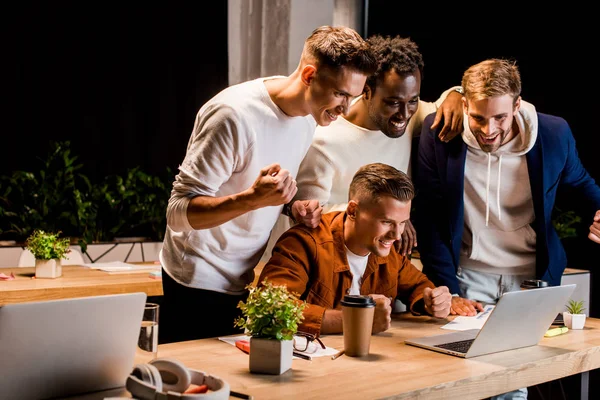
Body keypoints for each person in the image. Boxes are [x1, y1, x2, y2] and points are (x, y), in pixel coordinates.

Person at [159, 26, 378, 343]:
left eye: (353, 97)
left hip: (243, 277)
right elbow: (178, 212)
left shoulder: (308, 117)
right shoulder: (232, 116)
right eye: (341, 94)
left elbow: (259, 190)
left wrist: (291, 205)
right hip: (195, 279)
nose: (345, 109)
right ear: (308, 76)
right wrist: (253, 199)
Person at [416, 58, 600, 317]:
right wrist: (450, 291)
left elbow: (580, 183)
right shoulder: (441, 133)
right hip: (467, 277)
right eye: (478, 117)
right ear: (465, 104)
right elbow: (429, 214)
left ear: (517, 105)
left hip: (533, 279)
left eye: (500, 117)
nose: (488, 130)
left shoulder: (553, 133)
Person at [262, 35, 464, 265]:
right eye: (393, 102)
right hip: (335, 262)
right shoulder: (325, 141)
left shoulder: (411, 116)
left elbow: (445, 104)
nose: (404, 113)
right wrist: (390, 218)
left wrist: (457, 94)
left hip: (387, 261)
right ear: (366, 90)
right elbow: (310, 217)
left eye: (413, 100)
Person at [257, 163, 452, 335]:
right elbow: (270, 310)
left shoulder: (387, 250)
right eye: (386, 222)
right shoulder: (302, 243)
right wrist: (356, 320)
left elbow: (420, 286)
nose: (397, 235)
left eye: (402, 223)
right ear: (353, 211)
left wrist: (433, 300)